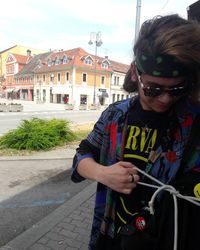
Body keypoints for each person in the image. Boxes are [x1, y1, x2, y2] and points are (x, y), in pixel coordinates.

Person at [71, 14, 200, 250]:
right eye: (153, 88)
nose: (165, 98)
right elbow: (81, 156)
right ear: (134, 73)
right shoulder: (115, 115)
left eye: (177, 89)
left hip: (168, 239)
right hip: (111, 237)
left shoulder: (194, 121)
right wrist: (102, 173)